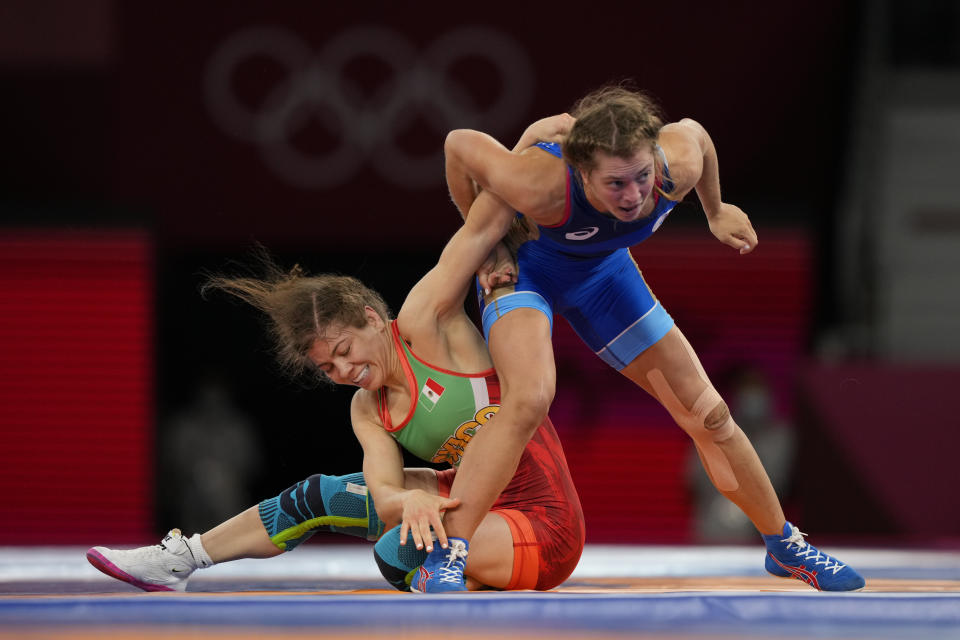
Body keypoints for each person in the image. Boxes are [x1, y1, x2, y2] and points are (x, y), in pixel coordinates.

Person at [432, 84, 864, 592]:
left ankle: (785, 545)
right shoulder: (541, 184)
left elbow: (698, 137)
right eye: (616, 184)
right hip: (528, 273)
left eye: (641, 177)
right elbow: (459, 144)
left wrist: (717, 209)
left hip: (605, 277)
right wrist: (487, 248)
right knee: (529, 398)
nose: (635, 197)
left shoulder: (673, 163)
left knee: (710, 415)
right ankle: (451, 550)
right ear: (582, 172)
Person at [86, 212, 584, 594]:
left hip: (545, 524)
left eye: (345, 351)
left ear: (372, 317)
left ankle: (452, 575)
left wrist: (527, 156)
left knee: (398, 552)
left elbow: (480, 221)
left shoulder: (425, 326)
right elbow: (385, 491)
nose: (344, 373)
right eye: (327, 369)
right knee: (322, 496)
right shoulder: (368, 409)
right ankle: (184, 558)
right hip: (473, 504)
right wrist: (407, 500)